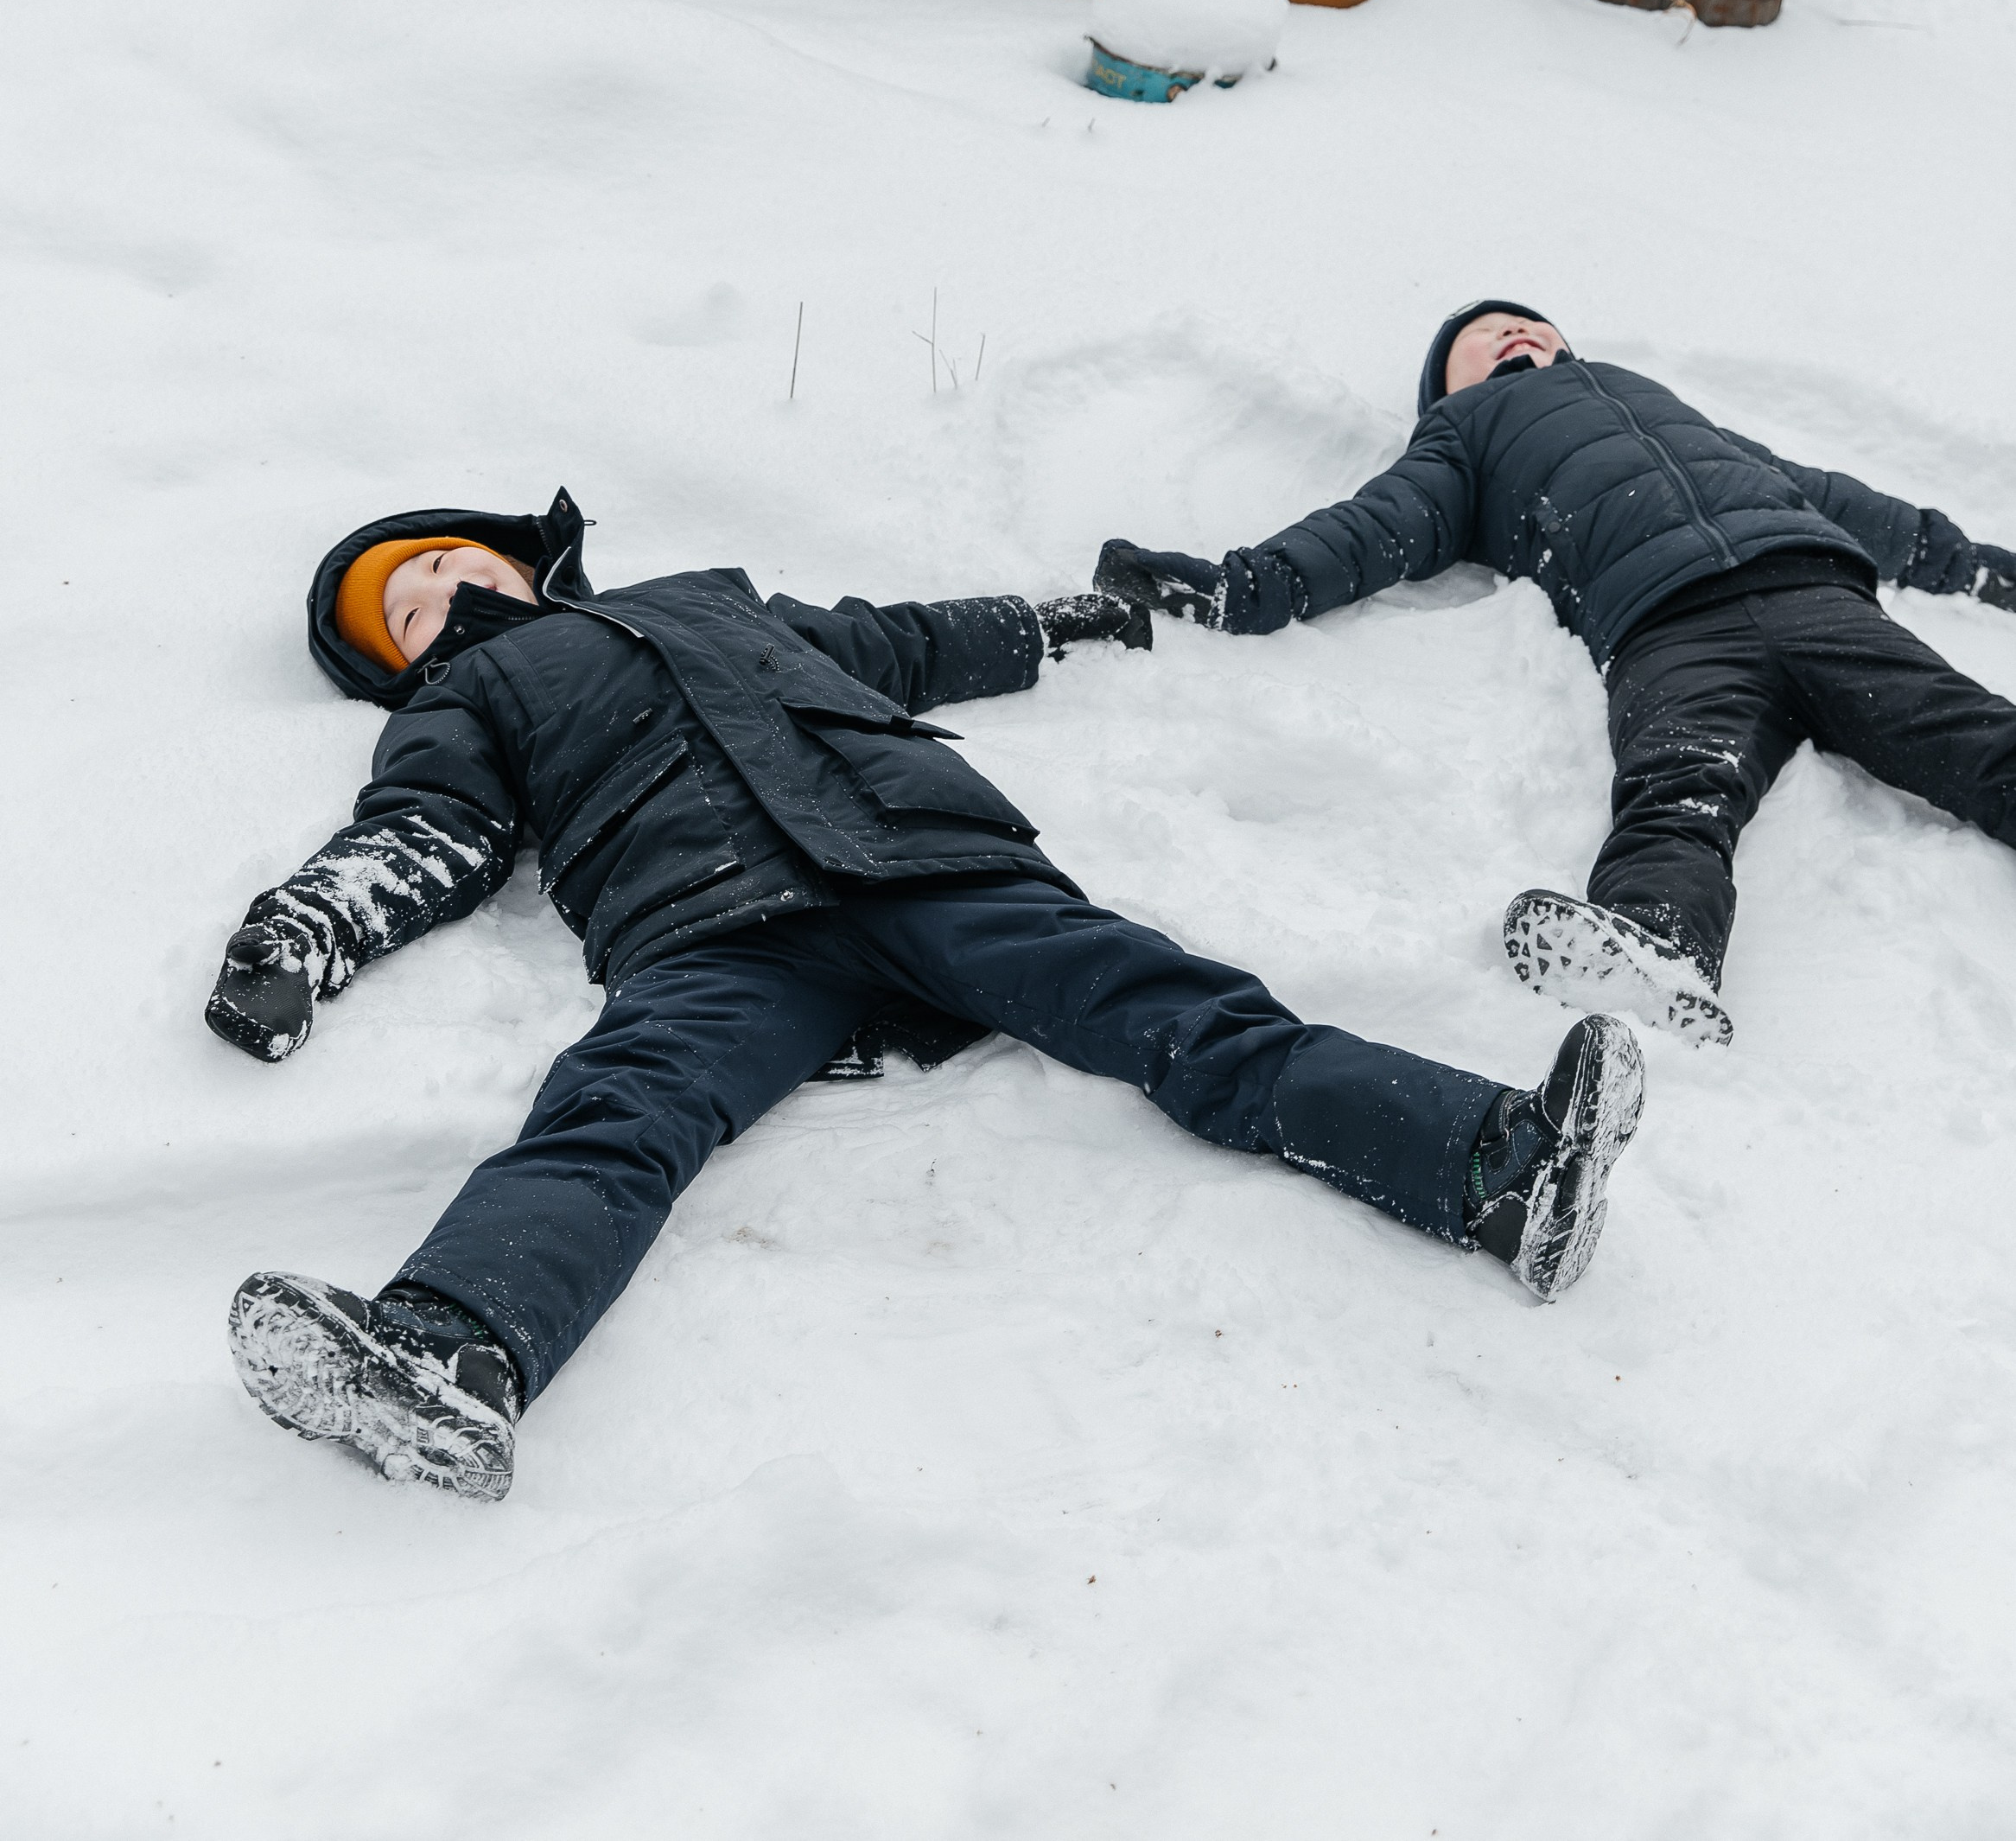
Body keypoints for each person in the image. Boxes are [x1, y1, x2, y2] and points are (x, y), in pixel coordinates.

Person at [209, 490, 1645, 1500]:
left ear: (513, 557)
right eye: (410, 613)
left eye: (442, 564)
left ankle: (1497, 1167)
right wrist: (301, 936)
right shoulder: (463, 706)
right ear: (403, 670)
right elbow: (424, 834)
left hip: (929, 864)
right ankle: (448, 1350)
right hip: (709, 933)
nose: (442, 595)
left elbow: (890, 641)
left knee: (1180, 1012)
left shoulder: (700, 600)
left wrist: (1054, 622)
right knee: (619, 1108)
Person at [1096, 302, 2016, 1052]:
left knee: (1962, 729)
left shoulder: (1652, 398)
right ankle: (1655, 950)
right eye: (1481, 335)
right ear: (1445, 386)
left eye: (1529, 324)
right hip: (1664, 626)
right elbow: (1375, 526)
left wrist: (1976, 567)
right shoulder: (1462, 433)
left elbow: (1829, 492)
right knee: (1678, 788)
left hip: (1809, 587)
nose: (1513, 332)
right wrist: (1241, 586)